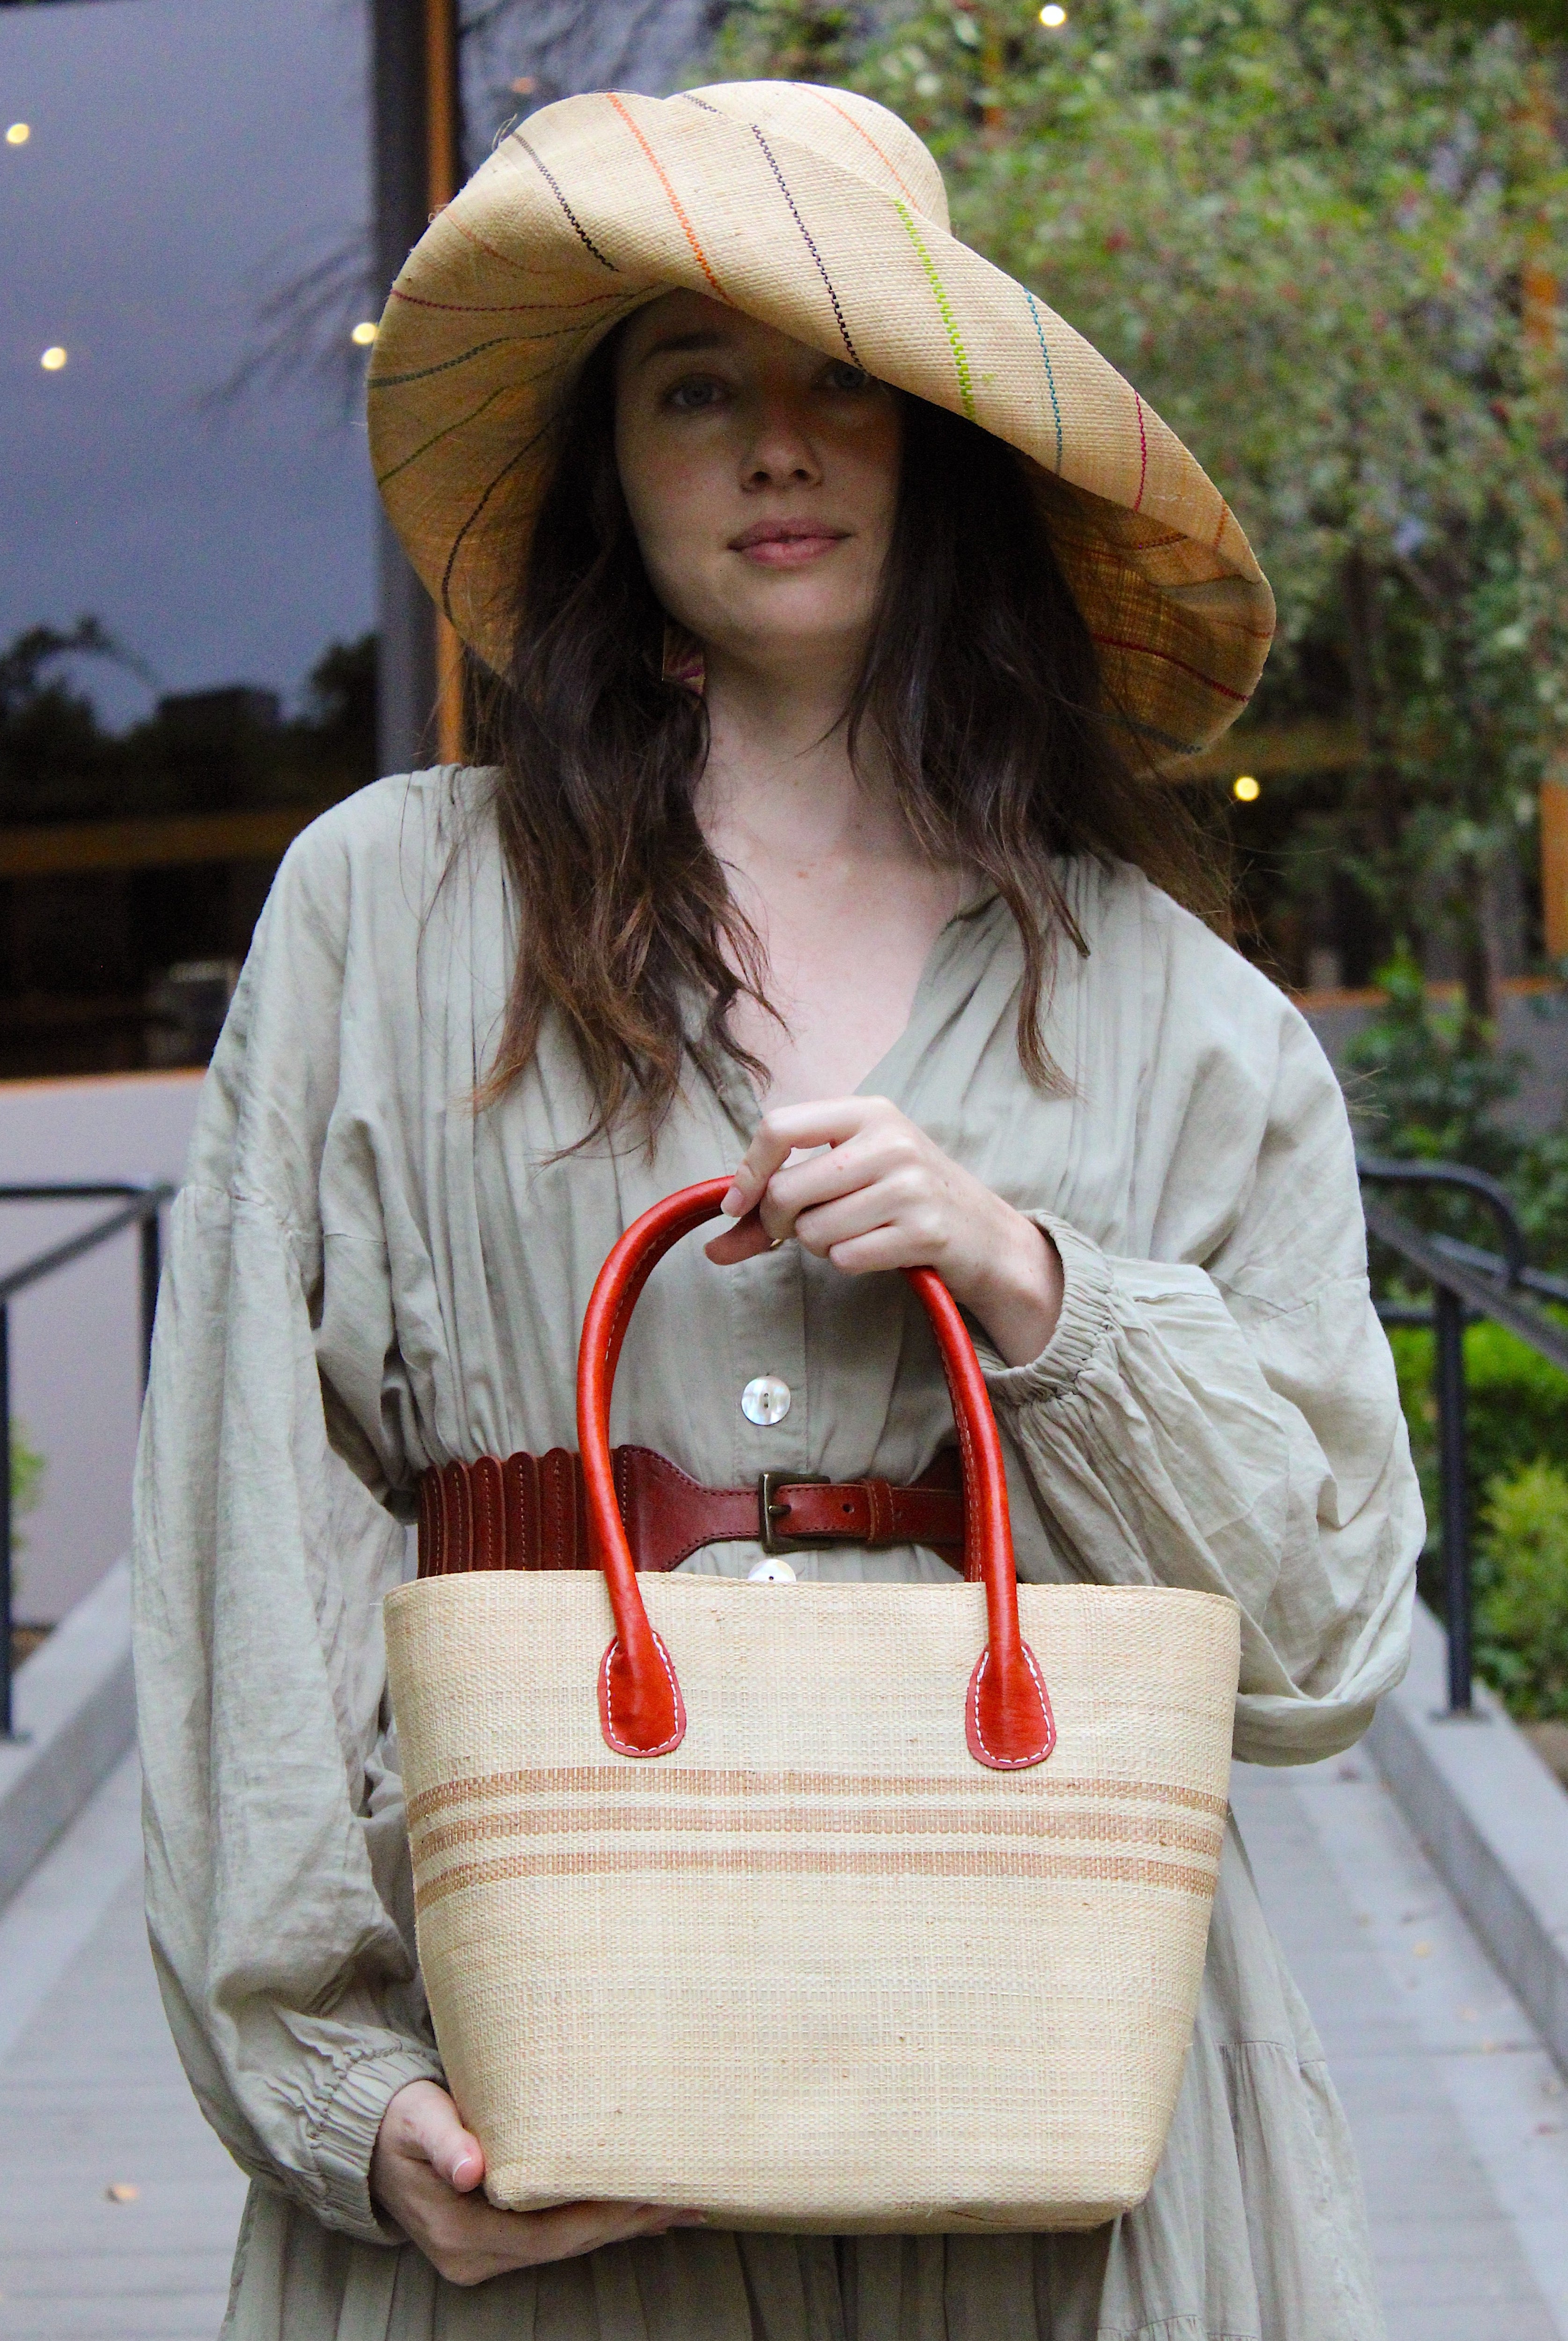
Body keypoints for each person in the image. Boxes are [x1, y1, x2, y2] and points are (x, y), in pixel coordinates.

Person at [132, 78, 1420, 2341]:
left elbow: (1317, 1644)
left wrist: (1040, 1289)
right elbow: (258, 1517)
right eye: (694, 385)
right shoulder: (388, 912)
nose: (776, 444)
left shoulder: (1184, 1018)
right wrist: (336, 2085)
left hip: (1065, 2143)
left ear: (951, 449)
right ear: (606, 468)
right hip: (534, 2118)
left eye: (850, 380)